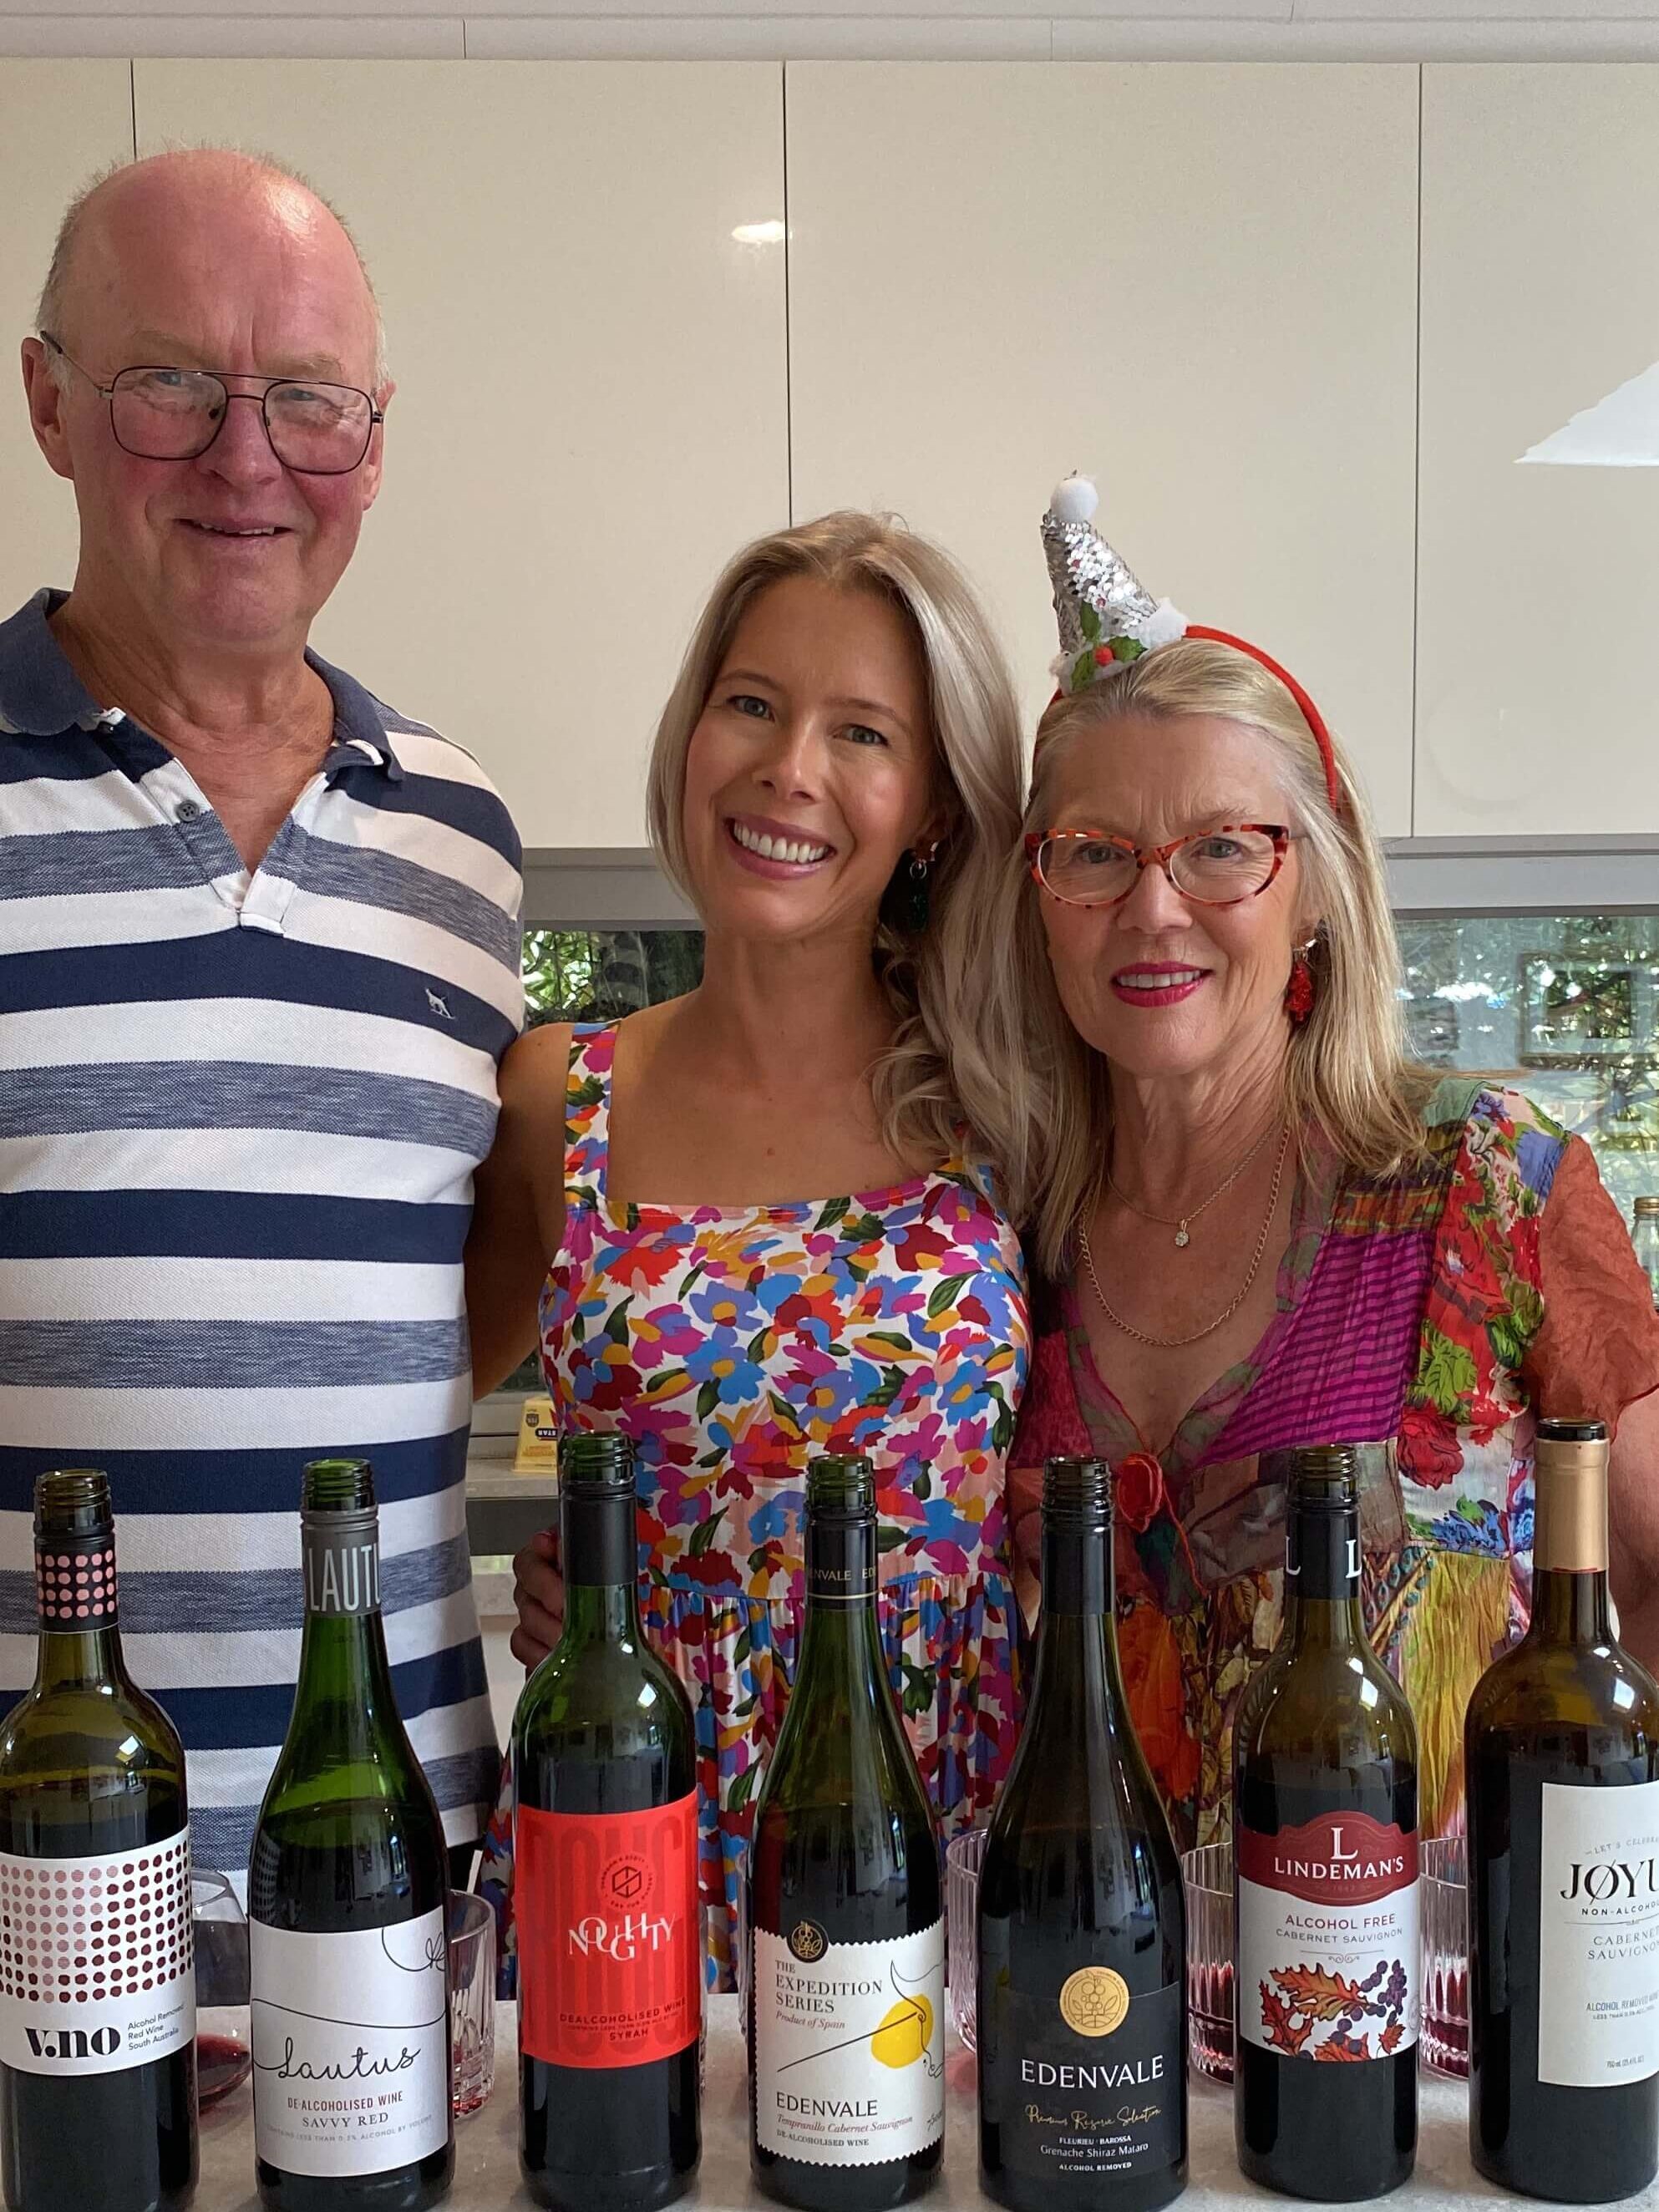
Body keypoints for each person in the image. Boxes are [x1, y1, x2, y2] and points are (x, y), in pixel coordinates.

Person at [996, 474, 1659, 1849]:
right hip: (1072, 1961)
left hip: (1431, 1976)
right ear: (1037, 895)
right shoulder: (994, 1232)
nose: (1153, 908)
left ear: (1314, 889)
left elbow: (1650, 1577)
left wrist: (1592, 1896)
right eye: (1094, 854)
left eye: (1220, 849)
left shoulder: (1489, 1183)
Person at [0, 150, 522, 1886]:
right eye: (171, 384)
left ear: (374, 438)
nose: (247, 461)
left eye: (307, 398)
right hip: (40, 1888)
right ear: (48, 402)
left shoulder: (459, 832)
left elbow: (442, 1307)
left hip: (404, 1883)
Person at [467, 512, 1031, 1988]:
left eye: (863, 732)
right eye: (752, 703)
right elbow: (393, 1427)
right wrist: (575, 1586)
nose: (789, 769)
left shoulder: (1013, 1110)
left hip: (933, 1810)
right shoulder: (557, 1100)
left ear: (933, 808)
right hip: (626, 1826)